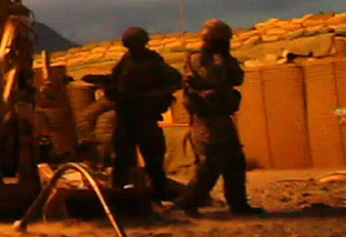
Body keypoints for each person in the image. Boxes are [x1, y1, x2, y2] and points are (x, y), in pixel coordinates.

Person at [175, 19, 263, 216]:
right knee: (209, 166)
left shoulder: (223, 57)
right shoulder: (198, 58)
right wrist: (220, 59)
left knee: (235, 163)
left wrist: (225, 59)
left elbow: (238, 78)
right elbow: (211, 77)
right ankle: (186, 202)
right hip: (205, 119)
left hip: (223, 117)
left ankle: (239, 204)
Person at [90, 26, 182, 202]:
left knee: (153, 158)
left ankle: (158, 194)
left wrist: (152, 97)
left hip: (145, 116)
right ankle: (119, 195)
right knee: (121, 159)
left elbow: (175, 81)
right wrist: (102, 82)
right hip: (126, 116)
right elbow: (115, 80)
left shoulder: (154, 62)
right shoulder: (126, 60)